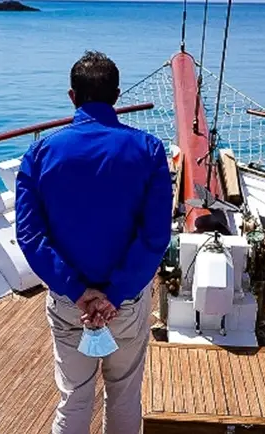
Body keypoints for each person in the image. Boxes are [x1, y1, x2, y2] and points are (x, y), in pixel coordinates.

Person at [15, 51, 173, 434]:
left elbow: (30, 234)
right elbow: (155, 236)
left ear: (72, 96)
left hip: (71, 305)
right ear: (116, 95)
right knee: (124, 396)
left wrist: (76, 289)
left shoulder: (40, 154)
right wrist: (113, 294)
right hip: (127, 305)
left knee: (74, 398)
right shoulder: (149, 151)